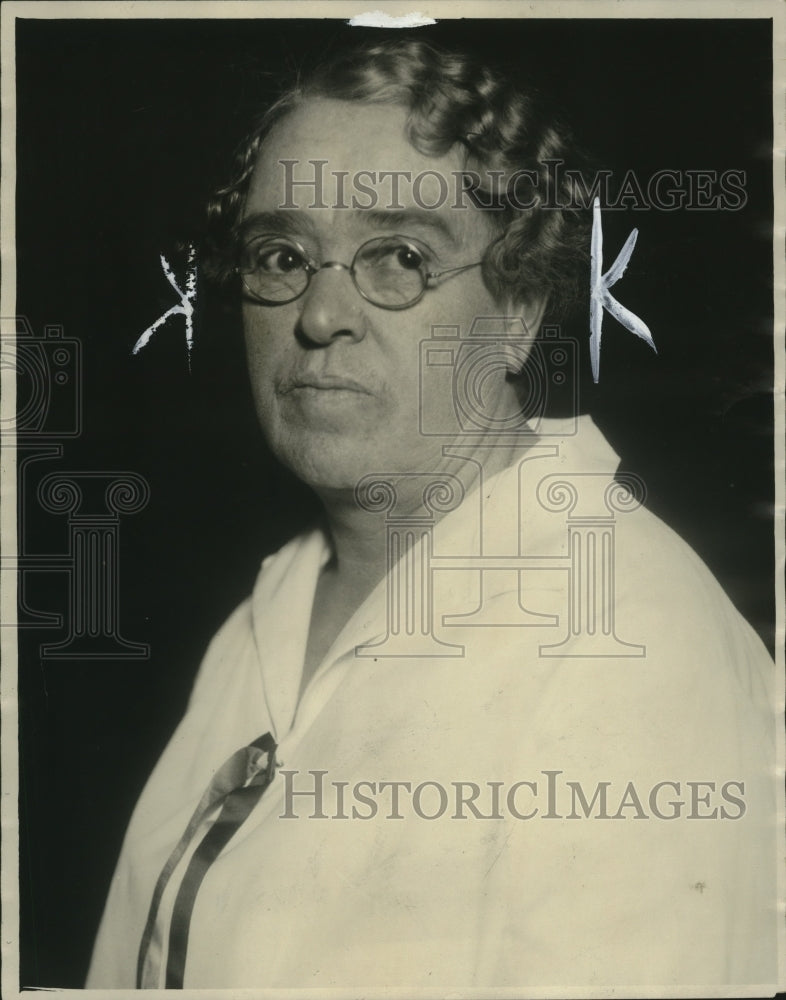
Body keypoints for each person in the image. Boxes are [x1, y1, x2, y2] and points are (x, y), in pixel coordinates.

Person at [86, 37, 777, 990]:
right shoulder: (262, 621)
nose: (321, 315)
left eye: (400, 256)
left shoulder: (626, 642)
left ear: (520, 307)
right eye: (281, 254)